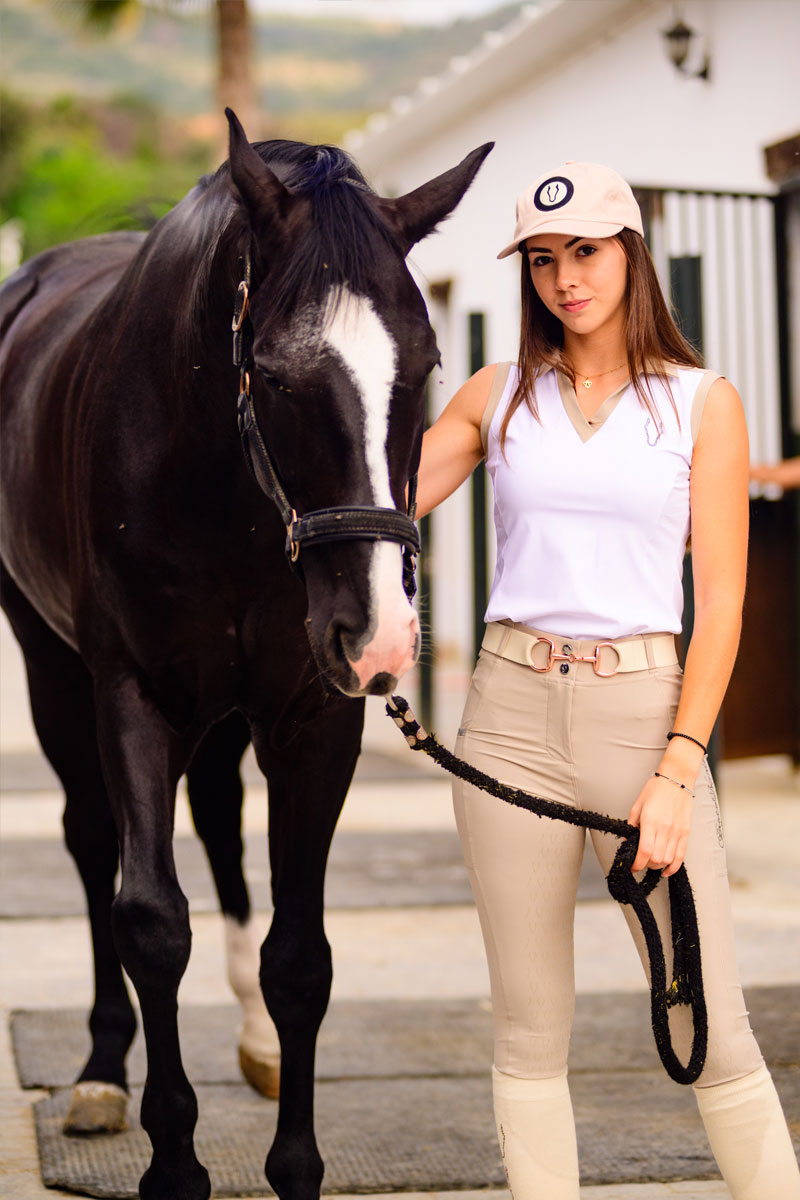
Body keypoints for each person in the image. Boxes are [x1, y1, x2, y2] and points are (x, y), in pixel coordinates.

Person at [415, 162, 800, 1199]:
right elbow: (375, 502)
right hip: (504, 717)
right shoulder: (496, 394)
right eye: (542, 260)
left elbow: (719, 603)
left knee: (705, 1022)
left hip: (642, 724)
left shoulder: (699, 403)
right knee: (529, 1028)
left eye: (583, 251)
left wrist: (677, 771)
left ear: (628, 250)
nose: (562, 279)